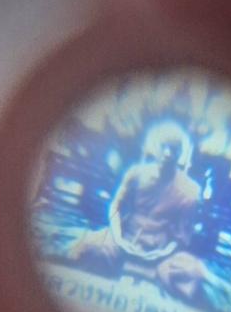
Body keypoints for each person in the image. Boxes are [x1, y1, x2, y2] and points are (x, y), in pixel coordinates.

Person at [72, 122, 209, 299]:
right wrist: (118, 239)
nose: (168, 153)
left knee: (192, 272)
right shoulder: (136, 173)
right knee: (91, 247)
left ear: (180, 153)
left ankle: (157, 277)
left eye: (174, 149)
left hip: (160, 254)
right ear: (156, 148)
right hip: (124, 241)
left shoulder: (190, 190)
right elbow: (115, 206)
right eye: (164, 147)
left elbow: (182, 235)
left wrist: (160, 253)